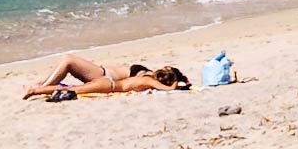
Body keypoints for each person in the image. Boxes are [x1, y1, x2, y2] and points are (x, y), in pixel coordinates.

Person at [21, 54, 189, 99]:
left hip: (104, 78)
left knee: (68, 62)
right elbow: (168, 88)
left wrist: (178, 82)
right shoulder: (147, 78)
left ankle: (38, 88)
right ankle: (38, 86)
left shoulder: (146, 78)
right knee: (67, 64)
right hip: (105, 80)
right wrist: (182, 83)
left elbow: (167, 88)